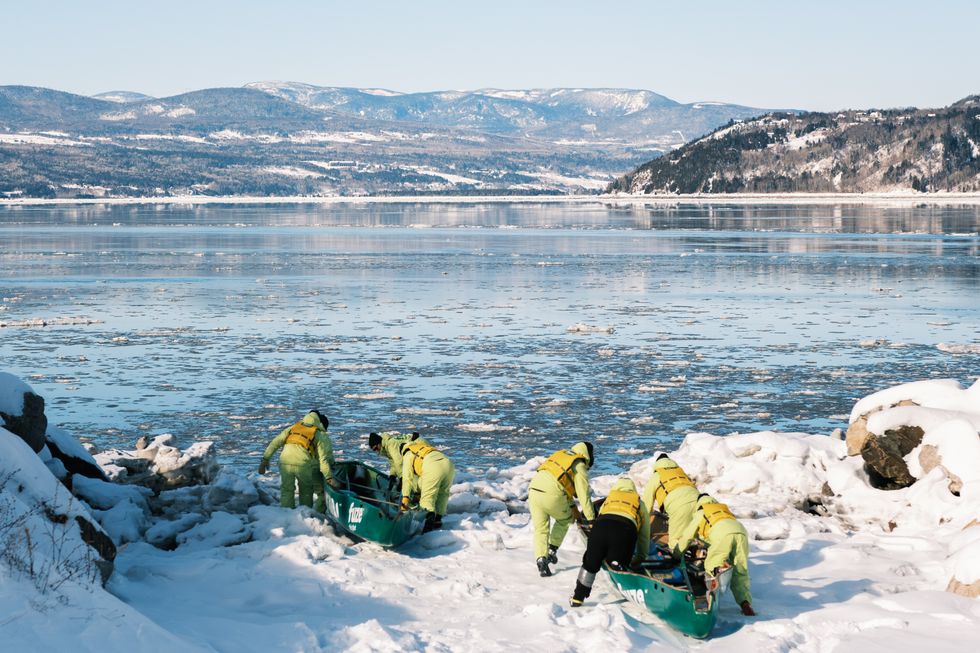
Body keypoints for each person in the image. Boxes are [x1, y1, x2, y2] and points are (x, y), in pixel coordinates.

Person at [569, 477, 650, 607]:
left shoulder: (609, 499)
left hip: (600, 527)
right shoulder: (639, 502)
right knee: (618, 560)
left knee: (590, 562)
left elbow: (600, 516)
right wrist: (641, 555)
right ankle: (618, 566)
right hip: (624, 530)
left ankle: (578, 597)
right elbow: (644, 535)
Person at [677, 493, 755, 616]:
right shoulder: (722, 510)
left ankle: (710, 598)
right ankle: (745, 602)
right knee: (740, 569)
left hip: (722, 534)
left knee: (711, 567)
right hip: (741, 532)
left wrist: (677, 554)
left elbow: (687, 536)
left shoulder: (701, 512)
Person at [528, 441, 596, 577]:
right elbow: (584, 496)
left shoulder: (562, 455)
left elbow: (561, 482)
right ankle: (552, 551)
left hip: (533, 490)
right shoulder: (579, 464)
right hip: (552, 495)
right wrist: (592, 520)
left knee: (541, 528)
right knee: (565, 519)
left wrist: (571, 505)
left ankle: (541, 559)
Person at [258, 410, 336, 512]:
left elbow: (275, 443)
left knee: (287, 489)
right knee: (306, 491)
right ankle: (305, 514)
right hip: (302, 463)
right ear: (319, 422)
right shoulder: (318, 434)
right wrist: (329, 477)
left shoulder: (293, 428)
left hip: (284, 461)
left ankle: (287, 514)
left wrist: (265, 459)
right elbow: (323, 460)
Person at [641, 452, 700, 557]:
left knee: (675, 539)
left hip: (679, 505)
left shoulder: (657, 475)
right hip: (698, 501)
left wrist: (641, 524)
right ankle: (699, 553)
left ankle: (677, 564)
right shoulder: (680, 472)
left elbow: (646, 504)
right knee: (694, 533)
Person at [399, 437, 455, 533]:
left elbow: (407, 479)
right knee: (443, 493)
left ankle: (427, 529)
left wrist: (405, 498)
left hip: (434, 466)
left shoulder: (408, 454)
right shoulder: (421, 447)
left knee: (427, 498)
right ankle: (438, 519)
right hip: (449, 464)